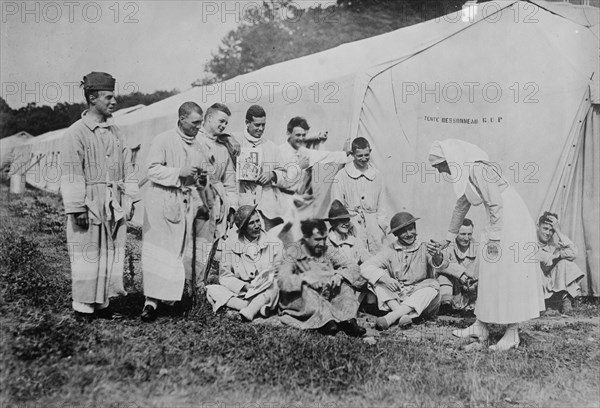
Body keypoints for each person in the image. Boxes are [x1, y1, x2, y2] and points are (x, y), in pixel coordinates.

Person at [429, 139, 544, 351]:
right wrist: (447, 238)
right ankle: (481, 325)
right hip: (499, 219)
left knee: (507, 273)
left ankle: (512, 333)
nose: (440, 171)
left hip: (510, 220)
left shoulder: (478, 168)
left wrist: (494, 238)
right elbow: (461, 206)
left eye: (440, 166)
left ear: (450, 159)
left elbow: (495, 203)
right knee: (491, 271)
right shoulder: (466, 171)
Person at [60, 72, 138, 321]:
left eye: (114, 96)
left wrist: (131, 198)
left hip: (112, 201)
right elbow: (71, 172)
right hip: (90, 201)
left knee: (109, 252)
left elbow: (128, 166)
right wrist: (77, 208)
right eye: (108, 96)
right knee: (87, 252)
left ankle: (102, 303)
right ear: (92, 98)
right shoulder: (76, 132)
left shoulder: (116, 131)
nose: (114, 101)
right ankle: (83, 306)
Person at [140, 102, 207, 322]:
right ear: (182, 119)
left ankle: (170, 301)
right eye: (195, 122)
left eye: (201, 122)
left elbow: (196, 179)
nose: (199, 126)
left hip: (183, 204)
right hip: (161, 201)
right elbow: (151, 170)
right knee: (158, 251)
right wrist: (179, 172)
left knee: (176, 253)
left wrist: (199, 186)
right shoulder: (163, 139)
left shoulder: (198, 146)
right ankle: (150, 303)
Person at [277, 219, 367, 337]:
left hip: (325, 294)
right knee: (308, 292)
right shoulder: (293, 252)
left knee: (345, 285)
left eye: (324, 238)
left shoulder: (327, 250)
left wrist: (339, 275)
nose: (322, 243)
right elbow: (282, 280)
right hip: (301, 299)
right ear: (306, 238)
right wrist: (304, 278)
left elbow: (351, 266)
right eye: (317, 239)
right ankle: (325, 321)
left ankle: (348, 320)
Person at [361, 212, 447, 330]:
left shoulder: (424, 246)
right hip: (399, 295)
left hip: (421, 299)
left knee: (433, 287)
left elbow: (440, 265)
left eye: (411, 229)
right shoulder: (390, 250)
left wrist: (437, 256)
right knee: (376, 281)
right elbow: (365, 267)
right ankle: (403, 316)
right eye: (403, 231)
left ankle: (392, 316)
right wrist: (385, 279)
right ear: (396, 234)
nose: (409, 234)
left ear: (415, 228)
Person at [205, 205, 280, 321]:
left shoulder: (271, 241)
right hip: (242, 292)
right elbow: (225, 276)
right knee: (212, 289)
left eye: (258, 221)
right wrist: (244, 286)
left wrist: (266, 280)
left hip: (265, 289)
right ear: (243, 228)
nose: (257, 226)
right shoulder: (230, 243)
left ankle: (250, 310)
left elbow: (279, 269)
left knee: (276, 285)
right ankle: (251, 307)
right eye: (252, 223)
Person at [236, 105, 298, 231]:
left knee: (268, 244)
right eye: (257, 125)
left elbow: (287, 177)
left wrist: (273, 174)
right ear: (247, 123)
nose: (261, 129)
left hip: (267, 209)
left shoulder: (271, 147)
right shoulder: (235, 141)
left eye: (263, 125)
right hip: (243, 204)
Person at [193, 103, 238, 275]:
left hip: (217, 204)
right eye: (221, 121)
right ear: (209, 118)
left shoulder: (223, 148)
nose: (224, 125)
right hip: (196, 200)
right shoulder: (193, 139)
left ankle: (200, 287)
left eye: (226, 123)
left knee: (210, 246)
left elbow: (230, 181)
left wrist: (232, 207)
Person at [277, 117, 350, 211]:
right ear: (288, 133)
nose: (301, 139)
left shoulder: (303, 151)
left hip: (299, 202)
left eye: (304, 135)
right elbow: (280, 181)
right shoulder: (279, 152)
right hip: (282, 202)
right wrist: (298, 167)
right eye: (298, 135)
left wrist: (344, 154)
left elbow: (324, 156)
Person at [331, 137, 389, 254]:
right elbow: (337, 205)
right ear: (352, 154)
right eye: (360, 156)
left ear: (370, 152)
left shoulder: (377, 175)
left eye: (366, 155)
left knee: (375, 258)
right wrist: (346, 227)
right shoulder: (342, 175)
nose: (364, 159)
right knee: (354, 256)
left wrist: (380, 227)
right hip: (352, 225)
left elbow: (382, 205)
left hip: (373, 227)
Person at [536, 211, 584, 314]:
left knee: (566, 263)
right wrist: (554, 256)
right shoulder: (530, 239)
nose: (548, 233)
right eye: (545, 228)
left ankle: (564, 301)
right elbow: (543, 260)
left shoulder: (552, 245)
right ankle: (544, 306)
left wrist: (558, 230)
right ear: (538, 226)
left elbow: (573, 253)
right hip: (535, 283)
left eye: (551, 230)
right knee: (534, 268)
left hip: (548, 282)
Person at [437, 218, 479, 315]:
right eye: (463, 234)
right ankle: (445, 307)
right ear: (455, 233)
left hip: (472, 290)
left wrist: (474, 279)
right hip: (455, 290)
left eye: (469, 234)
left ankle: (475, 308)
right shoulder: (448, 247)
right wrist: (460, 274)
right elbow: (440, 264)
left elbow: (485, 270)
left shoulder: (478, 248)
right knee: (443, 277)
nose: (466, 238)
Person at [326, 200, 371, 266]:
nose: (346, 223)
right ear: (333, 222)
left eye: (347, 219)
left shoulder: (352, 239)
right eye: (341, 220)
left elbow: (365, 256)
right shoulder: (326, 243)